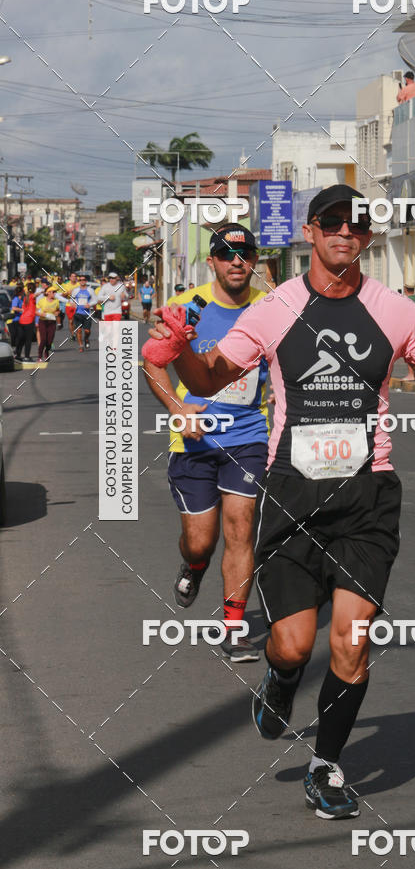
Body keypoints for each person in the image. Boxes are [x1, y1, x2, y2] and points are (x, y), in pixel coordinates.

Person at [145, 183, 415, 819]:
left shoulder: (395, 310)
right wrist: (176, 349)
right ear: (310, 232)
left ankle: (327, 767)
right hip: (291, 492)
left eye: (358, 224)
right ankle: (281, 679)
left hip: (368, 497)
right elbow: (210, 379)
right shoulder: (275, 308)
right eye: (333, 222)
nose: (346, 232)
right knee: (290, 644)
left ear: (367, 237)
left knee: (352, 643)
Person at [143, 223, 270, 663]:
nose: (237, 261)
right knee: (201, 541)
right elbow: (153, 363)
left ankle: (234, 628)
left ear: (254, 261)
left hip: (249, 434)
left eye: (245, 254)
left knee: (241, 525)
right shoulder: (186, 307)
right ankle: (194, 566)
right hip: (194, 439)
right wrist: (177, 410)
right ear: (212, 261)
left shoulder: (270, 308)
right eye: (227, 254)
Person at [71, 274, 96, 352]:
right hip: (78, 313)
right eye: (80, 280)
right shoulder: (76, 290)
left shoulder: (90, 290)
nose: (82, 281)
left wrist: (90, 304)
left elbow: (95, 300)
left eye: (83, 280)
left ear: (86, 281)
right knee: (78, 330)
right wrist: (73, 303)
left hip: (87, 314)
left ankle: (86, 339)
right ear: (79, 281)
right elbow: (71, 299)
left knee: (87, 331)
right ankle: (81, 346)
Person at [36, 283, 59, 361]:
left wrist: (57, 313)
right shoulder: (42, 301)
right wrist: (41, 314)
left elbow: (58, 310)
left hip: (52, 322)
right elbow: (35, 311)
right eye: (53, 292)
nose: (54, 293)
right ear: (48, 293)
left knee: (50, 340)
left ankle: (46, 351)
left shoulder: (56, 301)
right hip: (43, 321)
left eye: (55, 292)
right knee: (43, 339)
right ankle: (39, 356)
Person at [14, 282, 37, 361]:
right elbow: (34, 296)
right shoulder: (32, 297)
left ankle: (17, 354)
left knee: (21, 339)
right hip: (29, 320)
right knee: (28, 340)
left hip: (22, 320)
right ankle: (27, 356)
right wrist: (43, 292)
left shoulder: (25, 297)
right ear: (34, 289)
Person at [62, 271, 80, 339]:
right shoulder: (66, 285)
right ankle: (72, 334)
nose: (74, 278)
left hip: (77, 305)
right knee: (71, 321)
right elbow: (63, 295)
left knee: (76, 320)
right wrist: (67, 293)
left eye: (75, 276)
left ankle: (77, 331)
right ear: (70, 278)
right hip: (69, 305)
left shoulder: (79, 285)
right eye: (72, 276)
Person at [8, 283, 24, 349]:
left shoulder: (21, 299)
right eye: (23, 291)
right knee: (18, 336)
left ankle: (17, 351)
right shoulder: (16, 299)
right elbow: (14, 308)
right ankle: (15, 351)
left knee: (20, 336)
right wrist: (22, 310)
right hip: (14, 320)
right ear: (20, 292)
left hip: (20, 320)